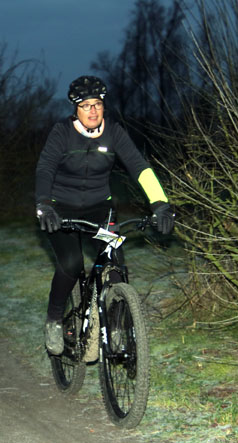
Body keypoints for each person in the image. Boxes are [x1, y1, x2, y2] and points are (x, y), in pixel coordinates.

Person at [35, 75, 175, 357]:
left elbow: (140, 167)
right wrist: (44, 205)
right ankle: (53, 321)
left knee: (115, 264)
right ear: (75, 108)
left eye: (97, 104)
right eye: (85, 105)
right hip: (61, 209)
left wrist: (160, 203)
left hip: (100, 209)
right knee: (72, 263)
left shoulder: (114, 132)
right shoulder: (62, 132)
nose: (93, 111)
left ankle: (117, 325)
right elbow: (45, 169)